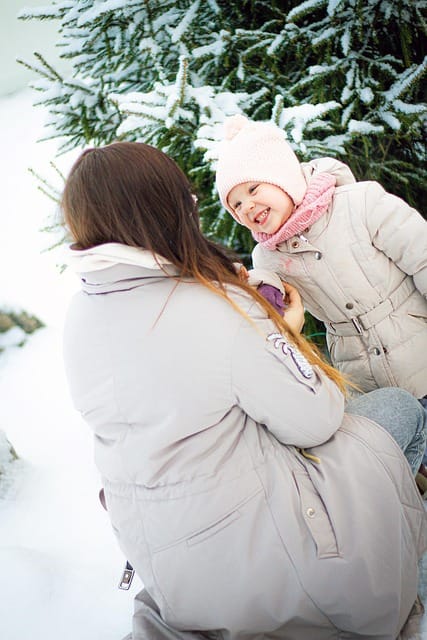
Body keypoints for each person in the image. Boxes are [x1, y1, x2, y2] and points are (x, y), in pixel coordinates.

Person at [61, 141, 427, 640]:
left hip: (168, 565)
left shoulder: (81, 314)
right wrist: (285, 334)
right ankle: (402, 563)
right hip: (262, 554)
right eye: (189, 200)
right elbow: (315, 419)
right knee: (398, 409)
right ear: (164, 209)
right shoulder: (210, 305)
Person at [215, 114, 427, 415]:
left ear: (282, 177)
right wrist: (252, 289)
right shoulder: (267, 256)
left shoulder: (359, 204)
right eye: (235, 204)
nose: (246, 206)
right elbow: (271, 304)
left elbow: (421, 254)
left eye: (253, 189)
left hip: (420, 350)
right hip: (364, 380)